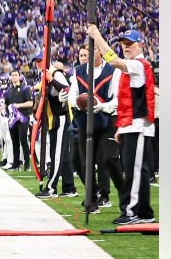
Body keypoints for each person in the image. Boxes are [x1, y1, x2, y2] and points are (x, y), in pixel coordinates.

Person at [86, 25, 157, 225]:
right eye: (123, 44)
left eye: (129, 43)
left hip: (139, 126)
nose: (125, 47)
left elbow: (114, 60)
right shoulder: (133, 66)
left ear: (140, 45)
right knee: (134, 169)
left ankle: (134, 211)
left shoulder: (138, 64)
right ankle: (142, 212)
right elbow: (128, 101)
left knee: (135, 170)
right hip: (131, 125)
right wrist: (121, 128)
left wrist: (97, 36)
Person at [69, 46, 123, 214]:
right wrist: (78, 103)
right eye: (84, 53)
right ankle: (91, 199)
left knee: (108, 158)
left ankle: (125, 198)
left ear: (100, 51)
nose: (88, 55)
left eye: (92, 50)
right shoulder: (78, 71)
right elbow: (73, 96)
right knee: (85, 162)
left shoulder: (113, 71)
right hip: (85, 119)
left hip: (107, 119)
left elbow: (117, 99)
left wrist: (101, 106)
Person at [37, 58, 77, 198]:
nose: (38, 63)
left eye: (40, 60)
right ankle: (69, 187)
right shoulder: (44, 74)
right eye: (36, 61)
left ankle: (51, 188)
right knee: (63, 154)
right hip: (53, 118)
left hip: (59, 117)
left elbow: (67, 89)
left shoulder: (55, 73)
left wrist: (51, 79)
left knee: (56, 154)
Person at [3, 70, 33, 170]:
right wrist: (3, 107)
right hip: (12, 119)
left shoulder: (25, 88)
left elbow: (30, 103)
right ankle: (16, 164)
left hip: (23, 118)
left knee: (23, 140)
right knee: (14, 141)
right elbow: (6, 103)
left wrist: (18, 105)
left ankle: (27, 164)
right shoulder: (8, 90)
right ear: (10, 77)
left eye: (16, 75)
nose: (14, 77)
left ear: (19, 76)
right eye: (12, 75)